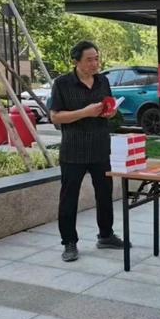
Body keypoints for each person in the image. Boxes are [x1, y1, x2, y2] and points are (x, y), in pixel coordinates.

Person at [49, 40, 127, 262]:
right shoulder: (62, 83)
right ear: (76, 61)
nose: (94, 63)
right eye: (89, 60)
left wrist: (109, 112)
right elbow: (55, 117)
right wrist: (84, 112)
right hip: (74, 150)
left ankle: (106, 235)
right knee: (69, 197)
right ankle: (69, 242)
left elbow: (108, 106)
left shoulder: (103, 81)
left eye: (96, 58)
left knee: (104, 193)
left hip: (100, 147)